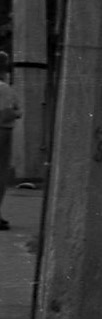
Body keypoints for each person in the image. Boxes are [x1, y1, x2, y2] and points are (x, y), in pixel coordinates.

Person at [0, 51, 21, 231]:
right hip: (2, 132)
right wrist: (17, 112)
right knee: (1, 173)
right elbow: (5, 114)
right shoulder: (4, 88)